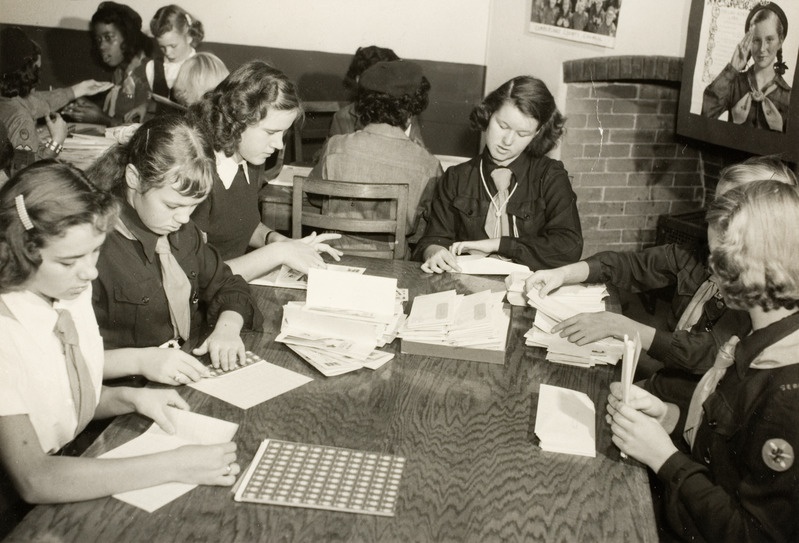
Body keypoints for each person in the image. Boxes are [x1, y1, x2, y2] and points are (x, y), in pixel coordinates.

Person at [0, 160, 239, 507]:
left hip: (72, 463)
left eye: (95, 251)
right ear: (19, 251)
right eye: (69, 261)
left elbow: (61, 399)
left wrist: (130, 398)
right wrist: (173, 465)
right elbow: (34, 478)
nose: (91, 273)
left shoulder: (67, 290)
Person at [524, 156, 796, 418]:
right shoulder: (696, 253)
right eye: (719, 206)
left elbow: (701, 353)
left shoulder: (758, 302)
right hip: (665, 386)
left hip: (696, 404)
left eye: (733, 212)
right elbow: (630, 265)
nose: (717, 221)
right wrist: (564, 273)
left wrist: (619, 326)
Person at [606, 179, 799, 541]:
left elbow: (752, 534)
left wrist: (665, 458)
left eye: (721, 256)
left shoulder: (788, 392)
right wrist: (668, 417)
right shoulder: (757, 342)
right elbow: (726, 455)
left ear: (759, 263)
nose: (712, 268)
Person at [86, 115, 261, 376]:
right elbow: (68, 361)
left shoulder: (181, 231)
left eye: (194, 205)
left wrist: (227, 328)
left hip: (181, 372)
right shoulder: (92, 248)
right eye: (173, 205)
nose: (184, 218)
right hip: (123, 395)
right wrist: (141, 362)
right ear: (134, 178)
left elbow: (228, 283)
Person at [188, 60, 341, 281]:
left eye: (283, 133)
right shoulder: (198, 173)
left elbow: (243, 225)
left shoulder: (250, 162)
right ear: (236, 121)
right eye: (271, 132)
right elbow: (198, 276)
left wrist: (279, 241)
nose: (279, 144)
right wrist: (278, 253)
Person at [414, 75, 582, 273]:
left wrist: (499, 245)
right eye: (502, 126)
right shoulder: (456, 177)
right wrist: (433, 251)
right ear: (488, 114)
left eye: (522, 134)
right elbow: (433, 239)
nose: (508, 141)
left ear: (537, 133)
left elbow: (569, 247)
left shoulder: (551, 175)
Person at [310, 60, 442, 256]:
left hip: (332, 256)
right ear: (412, 107)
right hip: (393, 266)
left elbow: (314, 196)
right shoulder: (428, 164)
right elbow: (432, 222)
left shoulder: (335, 147)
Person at [0, 27, 113, 161]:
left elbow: (38, 101)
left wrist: (77, 90)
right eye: (37, 71)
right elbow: (27, 172)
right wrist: (56, 142)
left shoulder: (7, 100)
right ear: (28, 75)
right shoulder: (20, 117)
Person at [702, 2, 790, 132]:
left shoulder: (789, 96)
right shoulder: (733, 84)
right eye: (756, 40)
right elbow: (706, 115)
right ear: (748, 41)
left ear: (780, 41)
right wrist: (732, 69)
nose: (762, 49)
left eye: (769, 39)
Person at [62, 2, 151, 126]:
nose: (102, 46)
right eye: (98, 40)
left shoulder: (147, 73)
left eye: (108, 38)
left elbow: (142, 131)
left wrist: (102, 118)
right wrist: (87, 109)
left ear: (128, 37)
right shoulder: (119, 72)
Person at [328, 45, 426, 149]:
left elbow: (419, 151)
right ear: (359, 80)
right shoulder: (343, 117)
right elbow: (332, 154)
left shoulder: (406, 114)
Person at [142, 4, 203, 116]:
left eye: (173, 46)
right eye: (162, 47)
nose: (168, 53)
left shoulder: (201, 68)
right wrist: (145, 105)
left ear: (189, 36)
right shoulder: (153, 68)